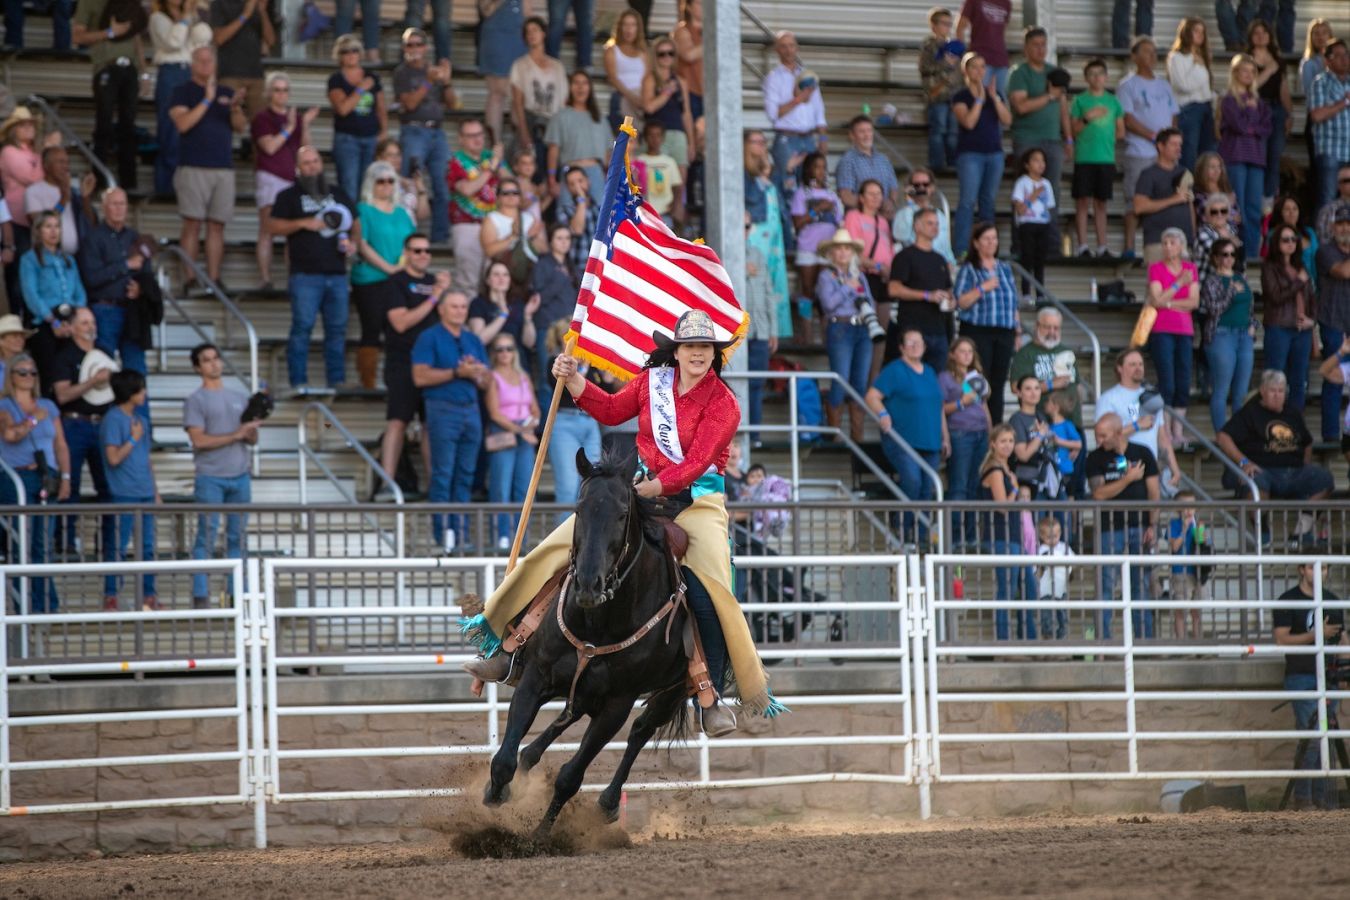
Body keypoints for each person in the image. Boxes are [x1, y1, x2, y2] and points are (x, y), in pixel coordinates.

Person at [463, 309, 783, 736]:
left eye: (705, 348)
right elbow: (612, 410)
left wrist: (658, 486)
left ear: (714, 354)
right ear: (677, 350)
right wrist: (574, 380)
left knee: (713, 586)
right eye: (690, 346)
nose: (698, 354)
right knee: (557, 548)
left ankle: (710, 693)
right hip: (639, 488)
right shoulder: (654, 383)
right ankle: (508, 645)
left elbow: (697, 463)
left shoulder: (724, 403)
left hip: (697, 502)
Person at [269, 145, 360, 393]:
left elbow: (356, 221)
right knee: (302, 327)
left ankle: (337, 380)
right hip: (304, 274)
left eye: (316, 162)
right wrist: (303, 223)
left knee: (337, 329)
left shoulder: (338, 193)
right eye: (307, 163)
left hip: (337, 273)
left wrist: (353, 243)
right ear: (298, 169)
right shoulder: (288, 196)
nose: (313, 167)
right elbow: (273, 226)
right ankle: (298, 381)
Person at [412, 291, 489, 551]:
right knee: (444, 473)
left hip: (471, 409)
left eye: (463, 306)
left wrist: (477, 373)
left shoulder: (472, 339)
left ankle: (461, 534)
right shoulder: (429, 337)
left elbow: (488, 381)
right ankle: (443, 535)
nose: (459, 310)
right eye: (454, 306)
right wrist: (458, 372)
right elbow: (419, 377)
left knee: (466, 475)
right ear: (442, 310)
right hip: (442, 408)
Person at [169, 46, 248, 287]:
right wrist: (207, 100)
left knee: (217, 225)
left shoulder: (226, 92)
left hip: (223, 167)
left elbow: (240, 127)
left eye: (209, 60)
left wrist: (235, 108)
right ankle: (190, 277)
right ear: (192, 64)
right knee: (192, 223)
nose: (205, 65)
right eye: (200, 61)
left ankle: (214, 278)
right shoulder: (182, 92)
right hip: (193, 165)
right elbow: (183, 124)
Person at [183, 343, 254, 607]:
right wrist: (236, 434)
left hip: (240, 474)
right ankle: (201, 595)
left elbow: (251, 439)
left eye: (216, 358)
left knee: (238, 536)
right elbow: (198, 440)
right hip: (210, 476)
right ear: (197, 367)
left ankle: (237, 594)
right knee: (207, 534)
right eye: (206, 360)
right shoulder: (195, 400)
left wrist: (251, 428)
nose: (214, 364)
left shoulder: (238, 396)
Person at [0, 353, 70, 613]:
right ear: (12, 376)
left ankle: (46, 606)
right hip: (18, 478)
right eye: (22, 372)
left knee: (43, 543)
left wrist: (65, 476)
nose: (28, 377)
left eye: (32, 372)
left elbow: (60, 444)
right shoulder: (5, 405)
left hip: (46, 475)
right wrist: (32, 420)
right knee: (22, 544)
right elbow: (9, 435)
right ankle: (25, 608)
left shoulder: (48, 406)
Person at [1218, 370, 1335, 523]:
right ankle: (1261, 529)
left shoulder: (1292, 412)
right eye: (1272, 391)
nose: (1277, 395)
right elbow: (1223, 437)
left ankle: (1303, 529)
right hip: (1262, 469)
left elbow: (1307, 442)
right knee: (1256, 480)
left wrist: (1304, 465)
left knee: (1325, 479)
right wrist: (1244, 462)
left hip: (1293, 470)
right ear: (1262, 391)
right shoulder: (1250, 412)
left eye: (1280, 391)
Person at [1275, 561, 1346, 811]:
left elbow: (1341, 637)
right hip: (1301, 676)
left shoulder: (1333, 600)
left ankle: (1321, 799)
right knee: (1313, 737)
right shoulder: (1288, 599)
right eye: (1313, 567)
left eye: (1325, 568)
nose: (1319, 573)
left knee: (1324, 737)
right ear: (1301, 570)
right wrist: (1317, 634)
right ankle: (1305, 798)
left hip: (1328, 676)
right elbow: (1282, 639)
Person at [377, 234, 444, 496]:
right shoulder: (396, 282)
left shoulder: (433, 282)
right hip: (402, 362)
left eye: (427, 250)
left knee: (430, 425)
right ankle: (387, 482)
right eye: (417, 251)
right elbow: (400, 322)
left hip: (432, 364)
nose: (423, 255)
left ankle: (434, 486)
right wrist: (434, 297)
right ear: (406, 253)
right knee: (397, 421)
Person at [867, 328, 947, 545]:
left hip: (930, 441)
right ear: (901, 347)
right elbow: (872, 396)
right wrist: (882, 414)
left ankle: (921, 537)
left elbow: (938, 406)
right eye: (909, 342)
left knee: (927, 488)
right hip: (902, 440)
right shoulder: (894, 370)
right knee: (912, 481)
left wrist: (945, 437)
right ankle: (902, 527)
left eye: (918, 342)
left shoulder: (930, 371)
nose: (915, 346)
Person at [49, 306, 116, 562]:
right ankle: (66, 542)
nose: (91, 327)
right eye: (85, 322)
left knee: (108, 487)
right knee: (70, 485)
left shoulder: (105, 352)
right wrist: (92, 382)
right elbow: (62, 395)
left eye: (92, 322)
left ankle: (107, 545)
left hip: (104, 422)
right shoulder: (64, 355)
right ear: (73, 327)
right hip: (75, 423)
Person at [1087, 412, 1159, 640]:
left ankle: (1145, 642)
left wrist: (1153, 524)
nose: (1099, 440)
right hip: (1109, 529)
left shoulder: (1142, 452)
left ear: (1119, 433)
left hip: (1140, 526)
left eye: (1103, 435)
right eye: (1096, 435)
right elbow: (1098, 494)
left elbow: (1154, 492)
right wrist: (1127, 479)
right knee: (1106, 587)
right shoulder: (1095, 458)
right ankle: (1103, 643)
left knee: (1141, 586)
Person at [77, 187, 160, 377]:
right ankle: (106, 407)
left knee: (136, 368)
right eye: (114, 204)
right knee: (102, 366)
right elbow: (91, 278)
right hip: (105, 309)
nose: (119, 208)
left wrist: (140, 288)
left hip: (133, 309)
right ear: (104, 207)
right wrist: (125, 265)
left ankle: (139, 407)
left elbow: (146, 273)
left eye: (122, 203)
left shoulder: (135, 237)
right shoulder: (93, 238)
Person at [352, 161, 417, 390]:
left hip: (398, 279)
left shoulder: (401, 213)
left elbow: (411, 244)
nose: (387, 185)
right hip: (370, 279)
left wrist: (401, 266)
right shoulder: (363, 209)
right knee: (371, 329)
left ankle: (395, 381)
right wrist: (388, 268)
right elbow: (362, 244)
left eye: (391, 180)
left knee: (397, 334)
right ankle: (368, 382)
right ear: (371, 183)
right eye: (381, 181)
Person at [71, 0, 147, 191]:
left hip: (130, 67)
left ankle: (129, 184)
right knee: (104, 124)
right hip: (105, 65)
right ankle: (99, 181)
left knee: (128, 126)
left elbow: (135, 35)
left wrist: (144, 72)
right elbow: (77, 36)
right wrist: (109, 33)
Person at [99, 369, 158, 611]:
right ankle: (112, 596)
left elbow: (146, 459)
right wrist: (132, 439)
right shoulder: (112, 419)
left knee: (147, 547)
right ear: (129, 392)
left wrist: (155, 491)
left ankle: (149, 597)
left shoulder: (141, 420)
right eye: (140, 389)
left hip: (144, 491)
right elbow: (112, 458)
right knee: (119, 547)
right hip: (123, 492)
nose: (144, 393)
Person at [251, 73, 316, 291]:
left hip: (291, 178)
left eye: (285, 90)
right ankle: (265, 278)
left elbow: (306, 149)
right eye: (277, 90)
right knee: (267, 228)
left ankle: (293, 277)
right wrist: (288, 127)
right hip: (270, 176)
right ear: (269, 92)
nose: (282, 94)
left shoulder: (294, 118)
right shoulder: (263, 118)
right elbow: (269, 147)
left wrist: (304, 124)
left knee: (293, 231)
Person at [1008, 28, 1069, 253]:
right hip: (1027, 139)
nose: (1041, 49)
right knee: (1023, 192)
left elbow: (1063, 107)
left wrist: (1068, 138)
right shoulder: (1019, 73)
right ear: (1026, 48)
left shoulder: (1054, 72)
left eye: (1044, 44)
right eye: (1035, 45)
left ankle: (1051, 246)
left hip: (1053, 140)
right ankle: (1021, 244)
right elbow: (1021, 106)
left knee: (1051, 193)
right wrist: (1049, 96)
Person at [1118, 36, 1179, 261]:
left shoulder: (1164, 85)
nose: (1152, 56)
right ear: (1134, 56)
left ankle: (1164, 246)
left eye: (1154, 52)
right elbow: (1127, 118)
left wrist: (1169, 142)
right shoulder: (1128, 85)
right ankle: (1129, 246)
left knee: (1165, 201)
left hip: (1164, 155)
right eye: (1146, 51)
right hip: (1139, 151)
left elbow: (1173, 115)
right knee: (1135, 200)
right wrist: (1154, 137)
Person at [394, 27, 454, 246]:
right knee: (410, 183)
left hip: (437, 132)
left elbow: (453, 103)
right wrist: (428, 81)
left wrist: (446, 81)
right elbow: (409, 104)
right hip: (413, 130)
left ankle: (440, 238)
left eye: (419, 44)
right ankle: (408, 238)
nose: (415, 49)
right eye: (410, 44)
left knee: (443, 186)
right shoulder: (402, 72)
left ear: (426, 47)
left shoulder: (435, 71)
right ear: (404, 48)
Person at [953, 221, 1018, 423]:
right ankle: (976, 422)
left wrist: (1017, 331)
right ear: (976, 243)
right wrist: (982, 288)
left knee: (998, 384)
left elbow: (1013, 302)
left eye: (994, 238)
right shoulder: (969, 269)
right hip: (978, 331)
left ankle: (996, 428)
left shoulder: (1005, 268)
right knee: (979, 380)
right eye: (986, 239)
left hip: (1005, 331)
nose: (992, 243)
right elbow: (960, 301)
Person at [1097, 347, 1182, 495]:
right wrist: (1136, 426)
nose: (1138, 368)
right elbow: (1102, 440)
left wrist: (1175, 469)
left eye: (1141, 364)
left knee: (1151, 515)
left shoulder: (1152, 397)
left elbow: (1162, 436)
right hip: (1122, 468)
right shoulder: (1109, 398)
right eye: (1132, 364)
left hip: (1150, 469)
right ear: (1119, 368)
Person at [815, 227, 873, 443]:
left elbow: (870, 303)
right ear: (832, 253)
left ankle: (856, 437)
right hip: (840, 327)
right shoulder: (825, 276)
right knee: (840, 380)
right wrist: (848, 289)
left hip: (862, 327)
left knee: (859, 383)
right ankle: (835, 435)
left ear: (852, 253)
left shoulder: (861, 277)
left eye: (847, 249)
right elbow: (828, 305)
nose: (842, 253)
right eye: (838, 249)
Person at [951, 52, 1011, 259]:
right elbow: (968, 122)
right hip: (970, 155)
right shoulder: (961, 97)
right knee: (967, 202)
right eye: (974, 67)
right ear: (966, 71)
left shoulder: (995, 93)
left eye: (982, 67)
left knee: (988, 202)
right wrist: (978, 101)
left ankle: (987, 249)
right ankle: (961, 249)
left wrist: (994, 98)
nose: (980, 71)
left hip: (994, 154)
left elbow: (1007, 120)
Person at [978, 423, 1035, 641]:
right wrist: (1014, 489)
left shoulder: (1007, 470)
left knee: (1028, 588)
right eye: (1003, 441)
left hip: (1014, 536)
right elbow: (1002, 505)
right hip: (1000, 536)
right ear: (993, 444)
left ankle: (1028, 640)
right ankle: (1004, 642)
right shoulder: (994, 470)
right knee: (1008, 590)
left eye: (1011, 441)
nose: (1008, 446)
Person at [149, 1, 213, 194]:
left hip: (190, 72)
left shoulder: (190, 17)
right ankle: (166, 186)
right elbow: (173, 43)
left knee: (192, 128)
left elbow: (204, 38)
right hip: (171, 71)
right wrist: (184, 19)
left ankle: (186, 186)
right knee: (170, 128)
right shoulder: (157, 18)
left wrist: (195, 13)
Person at [484, 332, 540, 552]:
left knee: (523, 488)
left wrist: (531, 423)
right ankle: (502, 537)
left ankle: (520, 539)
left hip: (524, 431)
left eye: (509, 348)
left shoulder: (523, 376)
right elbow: (494, 413)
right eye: (500, 349)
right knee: (501, 487)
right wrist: (520, 430)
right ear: (494, 353)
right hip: (505, 432)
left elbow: (534, 407)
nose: (505, 353)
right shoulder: (492, 376)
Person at [1146, 227, 1200, 446]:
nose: (1168, 247)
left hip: (1184, 330)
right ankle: (1165, 430)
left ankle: (1178, 430)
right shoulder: (1156, 268)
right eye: (1165, 243)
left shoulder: (1190, 268)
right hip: (1161, 330)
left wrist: (1169, 302)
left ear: (1181, 246)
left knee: (1183, 381)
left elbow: (1194, 303)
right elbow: (1156, 301)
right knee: (1166, 382)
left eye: (1172, 242)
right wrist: (1178, 284)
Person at [20, 211, 87, 384]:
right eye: (48, 226)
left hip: (70, 322)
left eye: (57, 226)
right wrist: (53, 321)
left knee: (71, 372)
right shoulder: (30, 259)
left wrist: (73, 319)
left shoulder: (69, 260)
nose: (53, 231)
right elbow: (31, 294)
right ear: (38, 231)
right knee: (48, 372)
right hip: (46, 321)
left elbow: (79, 292)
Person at [1218, 54, 1273, 256]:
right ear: (1235, 73)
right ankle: (1235, 252)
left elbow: (1266, 128)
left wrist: (1252, 124)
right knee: (1236, 207)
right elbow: (1239, 126)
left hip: (1256, 159)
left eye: (1252, 71)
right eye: (1244, 70)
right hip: (1235, 158)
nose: (1249, 75)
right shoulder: (1229, 101)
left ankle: (1250, 253)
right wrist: (1250, 115)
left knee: (1253, 208)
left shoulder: (1261, 103)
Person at [1199, 237, 1256, 432]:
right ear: (1215, 258)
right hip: (1221, 335)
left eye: (1233, 254)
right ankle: (1222, 436)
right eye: (1224, 254)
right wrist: (1230, 292)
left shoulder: (1242, 278)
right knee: (1221, 389)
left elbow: (1250, 309)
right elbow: (1214, 309)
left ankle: (1239, 435)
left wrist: (1253, 326)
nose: (1229, 258)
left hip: (1244, 335)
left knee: (1241, 392)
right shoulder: (1211, 281)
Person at [1070, 58, 1124, 259]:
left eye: (1100, 73)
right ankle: (1083, 245)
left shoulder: (1113, 101)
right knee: (1082, 202)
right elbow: (1073, 130)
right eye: (1092, 74)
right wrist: (1087, 118)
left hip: (1106, 158)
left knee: (1101, 203)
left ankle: (1103, 246)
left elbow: (1121, 131)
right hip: (1084, 158)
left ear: (1106, 77)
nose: (1096, 78)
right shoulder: (1079, 100)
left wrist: (1105, 134)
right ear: (1086, 78)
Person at [887, 206, 953, 370]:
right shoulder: (904, 256)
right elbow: (893, 289)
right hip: (912, 329)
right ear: (917, 226)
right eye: (929, 223)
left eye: (937, 224)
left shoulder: (940, 259)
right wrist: (926, 295)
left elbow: (948, 290)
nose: (935, 227)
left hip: (939, 329)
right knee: (910, 378)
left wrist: (952, 301)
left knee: (937, 382)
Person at [939, 336, 990, 549]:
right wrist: (962, 403)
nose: (967, 355)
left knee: (974, 486)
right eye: (962, 351)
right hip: (960, 433)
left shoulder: (976, 376)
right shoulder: (945, 377)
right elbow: (941, 408)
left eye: (970, 351)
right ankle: (955, 537)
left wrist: (991, 431)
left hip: (981, 434)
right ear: (952, 354)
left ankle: (970, 536)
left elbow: (984, 405)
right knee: (958, 486)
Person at [762, 31, 827, 198]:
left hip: (809, 138)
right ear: (777, 50)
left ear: (797, 48)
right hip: (787, 139)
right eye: (783, 46)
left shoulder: (808, 75)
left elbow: (819, 110)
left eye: (791, 46)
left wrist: (823, 139)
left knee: (811, 184)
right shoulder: (773, 78)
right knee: (788, 185)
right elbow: (773, 114)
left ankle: (807, 222)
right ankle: (787, 223)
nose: (788, 50)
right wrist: (798, 99)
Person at [1263, 223, 1318, 409]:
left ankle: (1294, 428)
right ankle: (1272, 426)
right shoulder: (1269, 267)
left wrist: (1313, 320)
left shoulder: (1301, 266)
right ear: (1276, 242)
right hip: (1279, 327)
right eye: (1285, 239)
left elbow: (1312, 298)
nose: (1290, 243)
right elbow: (1275, 296)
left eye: (1294, 239)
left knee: (1299, 382)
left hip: (1302, 330)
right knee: (1274, 380)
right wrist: (1298, 281)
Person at [744, 131, 791, 345]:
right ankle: (755, 335)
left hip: (772, 238)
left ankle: (771, 333)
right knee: (757, 282)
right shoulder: (743, 174)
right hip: (756, 236)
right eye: (756, 141)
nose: (762, 145)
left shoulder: (767, 174)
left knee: (772, 285)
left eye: (764, 141)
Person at [328, 33, 387, 204]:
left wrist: (383, 131)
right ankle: (350, 228)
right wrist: (361, 88)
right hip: (347, 139)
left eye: (355, 50)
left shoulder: (372, 77)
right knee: (349, 187)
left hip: (371, 138)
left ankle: (364, 228)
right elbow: (343, 109)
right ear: (339, 55)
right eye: (346, 51)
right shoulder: (336, 80)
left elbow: (381, 107)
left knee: (369, 187)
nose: (351, 54)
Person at [448, 118, 504, 295]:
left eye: (479, 134)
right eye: (471, 135)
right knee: (468, 284)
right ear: (461, 139)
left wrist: (499, 162)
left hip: (494, 226)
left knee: (494, 284)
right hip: (467, 225)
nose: (477, 139)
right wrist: (491, 167)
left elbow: (511, 183)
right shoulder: (454, 162)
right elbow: (466, 189)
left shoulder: (490, 156)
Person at [545, 71, 611, 218]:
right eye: (576, 83)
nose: (580, 87)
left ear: (590, 88)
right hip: (570, 172)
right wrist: (551, 179)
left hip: (596, 172)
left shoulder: (600, 118)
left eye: (584, 83)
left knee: (601, 217)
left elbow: (608, 153)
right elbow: (553, 150)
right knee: (567, 214)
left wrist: (610, 178)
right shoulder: (560, 116)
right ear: (569, 87)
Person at [1009, 307, 1084, 434]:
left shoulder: (1066, 351)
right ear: (1037, 326)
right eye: (1047, 327)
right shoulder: (1025, 354)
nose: (1052, 332)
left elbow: (1078, 386)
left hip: (1072, 423)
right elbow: (1016, 388)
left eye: (1056, 328)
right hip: (1043, 424)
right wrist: (1051, 384)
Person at [510, 16, 568, 167]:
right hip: (531, 119)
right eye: (528, 32)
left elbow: (564, 100)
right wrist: (523, 130)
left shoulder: (557, 66)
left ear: (543, 33)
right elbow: (518, 101)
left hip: (553, 121)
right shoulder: (520, 65)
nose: (532, 34)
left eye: (535, 30)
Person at [1246, 19, 1292, 205]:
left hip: (1277, 110)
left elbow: (1284, 89)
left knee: (1274, 156)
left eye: (1264, 32)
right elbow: (1248, 87)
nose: (1260, 36)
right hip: (1257, 110)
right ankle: (1256, 198)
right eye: (1256, 33)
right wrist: (1268, 71)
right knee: (1260, 156)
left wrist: (1289, 114)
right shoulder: (1247, 58)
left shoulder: (1278, 60)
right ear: (1251, 37)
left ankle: (1269, 201)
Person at [844, 179, 895, 345]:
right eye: (871, 194)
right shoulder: (854, 217)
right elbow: (852, 251)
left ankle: (876, 371)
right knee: (868, 328)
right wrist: (878, 266)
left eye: (879, 194)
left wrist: (890, 271)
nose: (875, 197)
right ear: (861, 198)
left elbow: (889, 249)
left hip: (884, 279)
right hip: (866, 276)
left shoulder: (883, 222)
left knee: (882, 332)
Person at [1132, 128, 1194, 264]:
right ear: (1160, 146)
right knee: (1159, 285)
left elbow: (1190, 206)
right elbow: (1139, 206)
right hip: (1157, 243)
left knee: (1185, 285)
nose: (1178, 148)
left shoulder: (1184, 172)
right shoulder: (1148, 174)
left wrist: (1192, 238)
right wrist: (1173, 199)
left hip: (1183, 243)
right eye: (1173, 144)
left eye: (1180, 144)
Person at [640, 35, 695, 188]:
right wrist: (666, 93)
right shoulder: (650, 79)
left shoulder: (681, 81)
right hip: (656, 135)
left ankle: (677, 212)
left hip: (678, 134)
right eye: (662, 54)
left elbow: (686, 113)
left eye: (670, 53)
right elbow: (648, 107)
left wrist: (691, 142)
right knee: (657, 183)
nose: (666, 57)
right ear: (655, 56)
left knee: (679, 184)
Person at [24, 146, 95, 258]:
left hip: (75, 258)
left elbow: (89, 221)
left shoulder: (74, 191)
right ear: (46, 166)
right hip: (47, 257)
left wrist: (85, 197)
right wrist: (63, 200)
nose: (66, 167)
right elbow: (40, 222)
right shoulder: (33, 191)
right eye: (60, 162)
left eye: (67, 162)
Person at [1317, 207, 1350, 443]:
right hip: (1333, 321)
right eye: (1340, 224)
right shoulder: (1326, 251)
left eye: (1348, 224)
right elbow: (1343, 272)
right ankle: (1330, 436)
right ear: (1331, 227)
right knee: (1333, 377)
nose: (1345, 228)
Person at [209, 0, 273, 123]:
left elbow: (270, 40)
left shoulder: (257, 4)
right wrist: (245, 15)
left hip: (256, 75)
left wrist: (263, 12)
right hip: (229, 74)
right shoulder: (220, 3)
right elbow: (219, 39)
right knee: (226, 121)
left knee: (261, 125)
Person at [1168, 17, 1217, 174]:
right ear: (1186, 32)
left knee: (1207, 155)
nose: (1200, 35)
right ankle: (1185, 194)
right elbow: (1184, 86)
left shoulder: (1202, 56)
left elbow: (1206, 88)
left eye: (1202, 32)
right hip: (1189, 109)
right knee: (1188, 156)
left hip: (1206, 109)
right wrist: (1197, 66)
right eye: (1196, 31)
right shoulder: (1176, 57)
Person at [477, 0, 528, 145]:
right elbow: (486, 10)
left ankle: (519, 145)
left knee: (518, 94)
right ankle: (495, 144)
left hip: (519, 38)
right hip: (496, 36)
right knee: (497, 93)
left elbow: (528, 12)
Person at [743, 230, 777, 447]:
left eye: (747, 226)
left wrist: (773, 329)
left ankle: (754, 434)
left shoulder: (757, 254)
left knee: (757, 384)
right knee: (733, 384)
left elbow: (768, 294)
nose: (744, 230)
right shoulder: (719, 251)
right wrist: (738, 270)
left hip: (760, 330)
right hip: (734, 333)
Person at [480, 175, 546, 285]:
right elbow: (489, 251)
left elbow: (544, 250)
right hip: (501, 275)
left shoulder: (530, 218)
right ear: (498, 196)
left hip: (529, 274)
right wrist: (513, 237)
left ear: (520, 196)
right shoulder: (491, 218)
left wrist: (531, 237)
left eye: (515, 192)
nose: (511, 196)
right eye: (506, 193)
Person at [919, 6, 962, 171]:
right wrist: (944, 63)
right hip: (937, 95)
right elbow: (925, 68)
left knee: (953, 133)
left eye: (949, 24)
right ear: (934, 26)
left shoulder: (954, 46)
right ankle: (936, 164)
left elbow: (959, 72)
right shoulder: (928, 46)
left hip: (953, 95)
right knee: (938, 130)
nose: (947, 28)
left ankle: (953, 163)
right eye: (944, 23)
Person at [471, 258, 537, 366]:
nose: (501, 278)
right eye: (496, 275)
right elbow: (480, 340)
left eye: (505, 275)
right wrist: (503, 314)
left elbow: (529, 343)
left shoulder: (518, 303)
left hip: (518, 364)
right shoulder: (478, 303)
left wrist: (528, 316)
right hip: (490, 362)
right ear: (488, 280)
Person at [1310, 39, 1350, 209]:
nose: (1344, 59)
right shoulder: (1320, 82)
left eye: (1346, 54)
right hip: (1330, 152)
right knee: (1328, 200)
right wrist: (1344, 103)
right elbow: (1317, 115)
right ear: (1327, 60)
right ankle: (1325, 235)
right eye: (1338, 55)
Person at [1011, 147, 1055, 294]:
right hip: (1027, 225)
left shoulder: (1047, 184)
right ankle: (1026, 292)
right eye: (1036, 160)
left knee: (1040, 261)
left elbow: (1049, 207)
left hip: (1043, 225)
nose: (1040, 164)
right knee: (1027, 259)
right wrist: (1033, 195)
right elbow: (1020, 209)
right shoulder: (1022, 182)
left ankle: (1040, 293)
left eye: (1043, 160)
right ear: (1027, 165)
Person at [892, 167, 955, 265]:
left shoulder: (940, 215)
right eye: (916, 185)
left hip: (941, 264)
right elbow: (901, 237)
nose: (921, 188)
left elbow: (946, 245)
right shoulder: (903, 213)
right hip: (916, 264)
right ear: (910, 188)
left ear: (932, 188)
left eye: (926, 184)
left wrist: (951, 262)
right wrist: (909, 200)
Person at [836, 115, 898, 214]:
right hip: (862, 220)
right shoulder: (847, 160)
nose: (867, 135)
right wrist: (872, 207)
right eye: (861, 131)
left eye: (869, 130)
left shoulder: (884, 159)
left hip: (886, 217)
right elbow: (846, 196)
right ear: (852, 136)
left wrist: (891, 202)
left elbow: (893, 187)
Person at [1008, 375, 1057, 500]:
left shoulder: (1041, 416)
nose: (1033, 393)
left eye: (1037, 388)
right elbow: (1023, 455)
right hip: (1029, 482)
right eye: (1028, 389)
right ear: (1019, 393)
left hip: (1049, 478)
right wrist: (1040, 435)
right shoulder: (1016, 419)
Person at [1167, 491, 1206, 641]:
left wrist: (1201, 532)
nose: (1189, 510)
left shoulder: (1197, 523)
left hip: (1197, 571)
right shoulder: (1174, 524)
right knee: (1180, 611)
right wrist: (1184, 528)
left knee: (1197, 611)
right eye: (1185, 507)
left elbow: (1201, 544)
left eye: (1192, 506)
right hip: (1180, 572)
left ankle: (1199, 643)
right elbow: (1175, 547)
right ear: (1178, 509)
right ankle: (1182, 644)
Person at [1301, 19, 1335, 180]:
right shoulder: (1309, 64)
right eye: (1316, 33)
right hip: (1317, 119)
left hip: (1338, 120)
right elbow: (1310, 93)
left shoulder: (1341, 62)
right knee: (1319, 169)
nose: (1321, 37)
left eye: (1324, 33)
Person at [604, 7, 647, 131]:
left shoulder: (644, 52)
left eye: (632, 25)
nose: (629, 29)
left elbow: (647, 77)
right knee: (623, 139)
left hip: (640, 99)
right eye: (625, 25)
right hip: (622, 96)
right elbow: (613, 78)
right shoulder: (611, 50)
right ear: (620, 27)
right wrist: (632, 97)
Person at [955, 0, 1010, 96]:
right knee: (980, 96)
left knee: (1000, 98)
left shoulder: (1006, 3)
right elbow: (960, 27)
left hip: (1001, 59)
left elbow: (1002, 30)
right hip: (980, 58)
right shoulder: (973, 1)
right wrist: (964, 55)